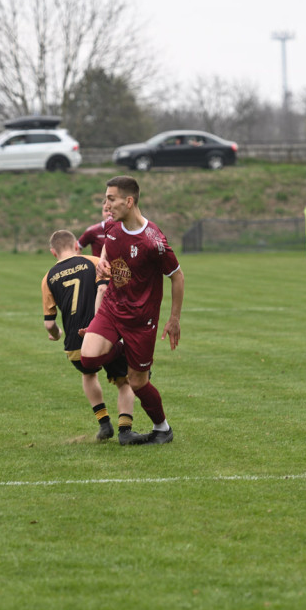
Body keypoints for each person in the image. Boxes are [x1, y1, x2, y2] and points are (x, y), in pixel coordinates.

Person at [79, 176, 185, 446]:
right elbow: (108, 254)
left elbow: (177, 276)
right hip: (112, 309)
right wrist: (103, 264)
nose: (106, 204)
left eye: (110, 199)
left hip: (141, 320)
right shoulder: (113, 229)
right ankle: (123, 350)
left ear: (129, 201)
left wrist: (174, 320)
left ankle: (162, 428)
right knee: (88, 358)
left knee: (138, 383)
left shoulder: (154, 241)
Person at [42, 229, 136, 441]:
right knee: (124, 381)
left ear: (53, 253)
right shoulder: (94, 262)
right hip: (104, 336)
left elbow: (49, 324)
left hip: (75, 343)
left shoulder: (48, 278)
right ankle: (125, 429)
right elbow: (113, 289)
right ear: (76, 245)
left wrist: (57, 334)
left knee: (89, 374)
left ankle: (104, 424)